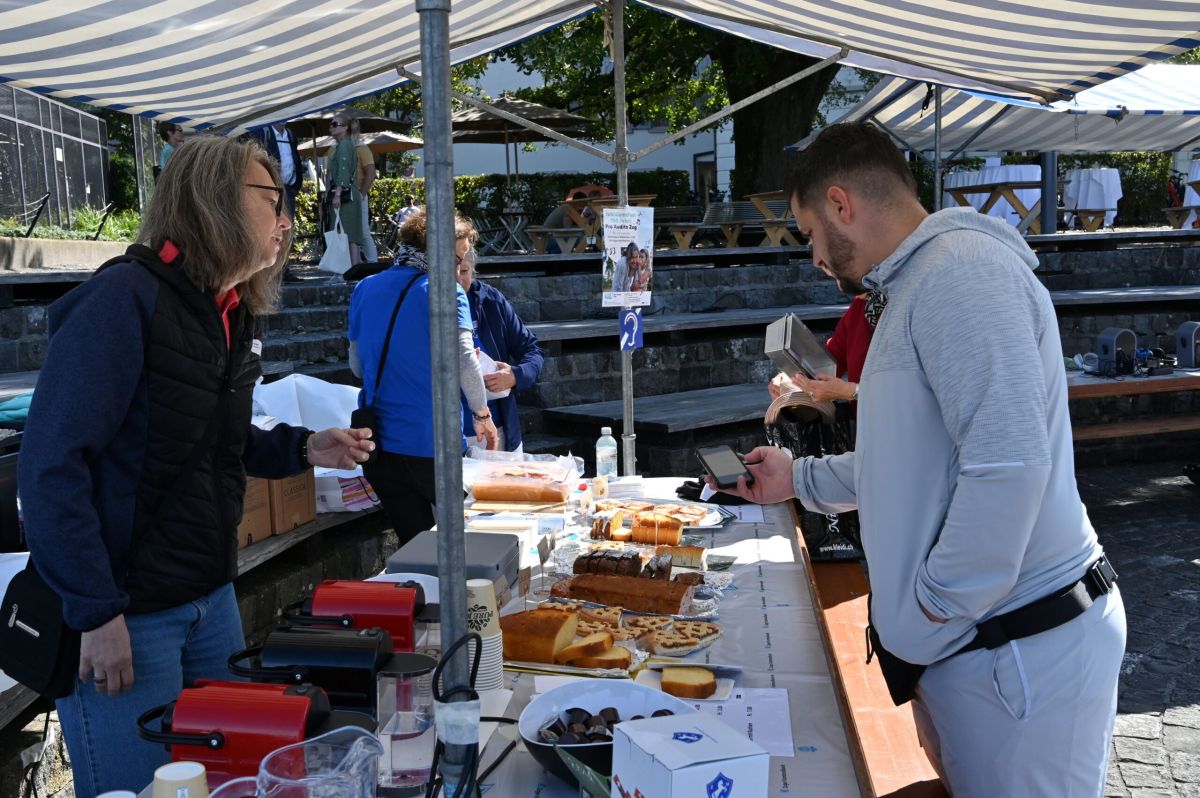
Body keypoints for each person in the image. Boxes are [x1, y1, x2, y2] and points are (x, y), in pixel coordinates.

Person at [715, 121, 1124, 797]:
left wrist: (931, 607)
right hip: (982, 648)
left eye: (809, 232)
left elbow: (1008, 469)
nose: (813, 256)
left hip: (1017, 651)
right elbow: (915, 463)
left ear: (841, 204)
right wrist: (800, 478)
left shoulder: (961, 275)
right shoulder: (919, 282)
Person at [17, 136, 376, 798]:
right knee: (140, 789)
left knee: (228, 783)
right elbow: (49, 468)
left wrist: (303, 447)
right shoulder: (121, 300)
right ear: (216, 201)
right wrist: (95, 613)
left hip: (210, 597)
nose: (287, 221)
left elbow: (212, 438)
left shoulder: (227, 310)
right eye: (273, 201)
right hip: (129, 615)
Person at [348, 209, 498, 545]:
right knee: (470, 547)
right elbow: (464, 360)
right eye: (457, 257)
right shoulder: (445, 292)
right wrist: (482, 414)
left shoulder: (365, 288)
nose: (460, 266)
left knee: (416, 550)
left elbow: (357, 366)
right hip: (434, 446)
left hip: (380, 448)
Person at [456, 249, 544, 452]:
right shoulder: (423, 303)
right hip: (445, 436)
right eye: (452, 270)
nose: (458, 279)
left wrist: (515, 375)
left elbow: (533, 350)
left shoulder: (491, 301)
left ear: (473, 271)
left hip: (498, 432)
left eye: (464, 271)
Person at [768, 291, 872, 404]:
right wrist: (790, 377)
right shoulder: (860, 305)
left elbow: (888, 391)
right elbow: (830, 360)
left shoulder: (880, 309)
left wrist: (849, 391)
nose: (839, 286)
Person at [325, 115, 365, 265]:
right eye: (330, 124)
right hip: (349, 193)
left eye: (335, 124)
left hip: (345, 194)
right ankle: (352, 268)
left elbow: (343, 171)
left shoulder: (344, 145)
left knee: (344, 232)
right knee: (349, 233)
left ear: (345, 127)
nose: (331, 127)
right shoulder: (345, 145)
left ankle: (347, 269)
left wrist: (337, 194)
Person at [251, 122, 304, 218]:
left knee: (288, 224)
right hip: (272, 189)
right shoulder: (263, 132)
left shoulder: (290, 135)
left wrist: (297, 185)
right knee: (271, 222)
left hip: (289, 191)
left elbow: (296, 160)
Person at [355, 140, 378, 262]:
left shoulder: (361, 148)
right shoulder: (335, 147)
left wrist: (361, 194)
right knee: (347, 234)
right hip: (343, 196)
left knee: (363, 231)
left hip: (357, 194)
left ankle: (373, 263)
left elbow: (371, 174)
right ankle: (354, 264)